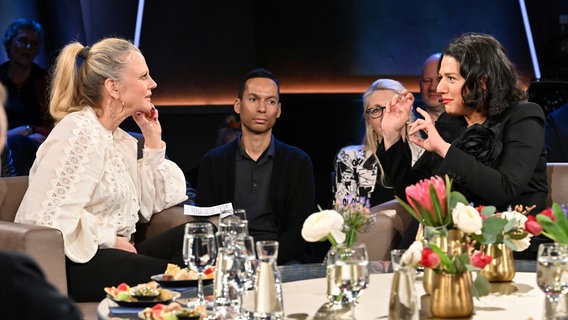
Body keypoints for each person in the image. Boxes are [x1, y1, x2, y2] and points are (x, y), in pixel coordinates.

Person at [14, 37, 189, 302]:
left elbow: (151, 205)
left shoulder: (118, 139)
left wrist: (152, 140)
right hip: (76, 264)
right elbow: (47, 220)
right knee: (178, 279)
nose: (152, 84)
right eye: (143, 76)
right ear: (113, 88)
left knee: (197, 239)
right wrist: (109, 238)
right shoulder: (79, 132)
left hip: (112, 254)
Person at [378, 33, 548, 257]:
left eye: (451, 78)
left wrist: (444, 148)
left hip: (508, 243)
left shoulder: (524, 117)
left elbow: (506, 189)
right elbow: (415, 194)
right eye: (440, 78)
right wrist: (391, 135)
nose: (439, 88)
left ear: (482, 82)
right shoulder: (451, 122)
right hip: (453, 243)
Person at [196, 68, 316, 265]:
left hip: (282, 260)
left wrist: (265, 260)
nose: (262, 108)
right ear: (237, 105)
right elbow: (206, 224)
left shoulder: (297, 161)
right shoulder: (213, 161)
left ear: (278, 110)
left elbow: (300, 228)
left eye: (270, 101)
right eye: (253, 99)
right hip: (227, 259)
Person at [334, 79, 415, 208]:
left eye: (391, 107)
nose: (385, 116)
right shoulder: (350, 157)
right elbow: (345, 218)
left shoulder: (425, 155)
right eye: (376, 110)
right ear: (369, 119)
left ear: (406, 112)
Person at [0, 18, 53, 175]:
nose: (28, 47)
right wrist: (9, 134)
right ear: (9, 44)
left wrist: (30, 130)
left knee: (18, 144)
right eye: (23, 40)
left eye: (34, 43)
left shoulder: (46, 81)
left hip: (34, 144)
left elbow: (58, 122)